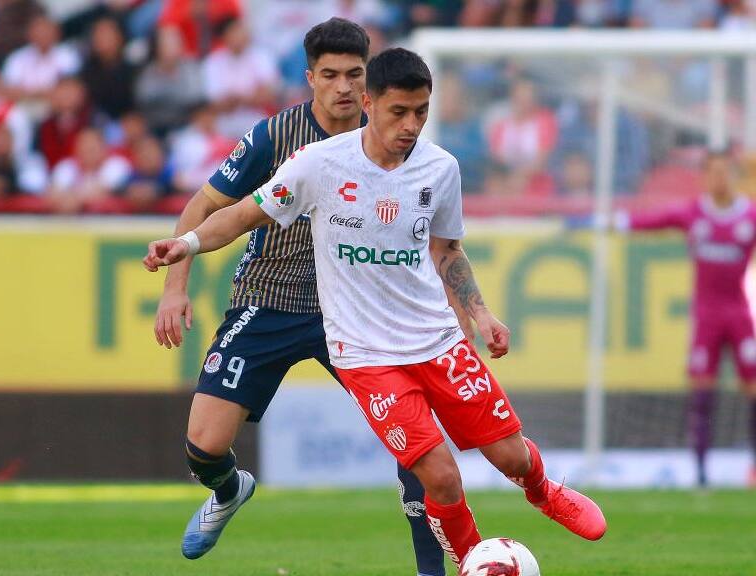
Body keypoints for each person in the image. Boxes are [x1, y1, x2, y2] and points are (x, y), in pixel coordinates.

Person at [144, 47, 607, 568]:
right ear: (369, 103)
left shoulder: (441, 168)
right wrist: (185, 245)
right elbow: (243, 215)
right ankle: (470, 560)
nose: (411, 125)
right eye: (399, 112)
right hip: (365, 354)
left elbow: (447, 249)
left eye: (421, 112)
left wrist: (479, 313)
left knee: (509, 455)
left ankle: (542, 490)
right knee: (441, 475)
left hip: (435, 339)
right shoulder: (317, 164)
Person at [151, 18, 449, 575]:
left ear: (368, 85)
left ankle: (430, 568)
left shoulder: (394, 138)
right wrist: (175, 288)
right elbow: (205, 206)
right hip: (269, 298)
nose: (341, 87)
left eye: (353, 75)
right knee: (204, 443)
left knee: (418, 441)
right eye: (329, 75)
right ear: (310, 77)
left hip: (358, 310)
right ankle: (227, 490)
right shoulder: (275, 135)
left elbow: (429, 237)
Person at [614, 149, 756, 488]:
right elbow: (651, 221)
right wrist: (609, 222)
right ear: (705, 177)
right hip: (707, 315)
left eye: (725, 172)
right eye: (713, 172)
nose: (719, 178)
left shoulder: (749, 216)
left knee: (752, 390)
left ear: (734, 176)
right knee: (702, 393)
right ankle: (701, 474)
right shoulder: (694, 213)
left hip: (739, 313)